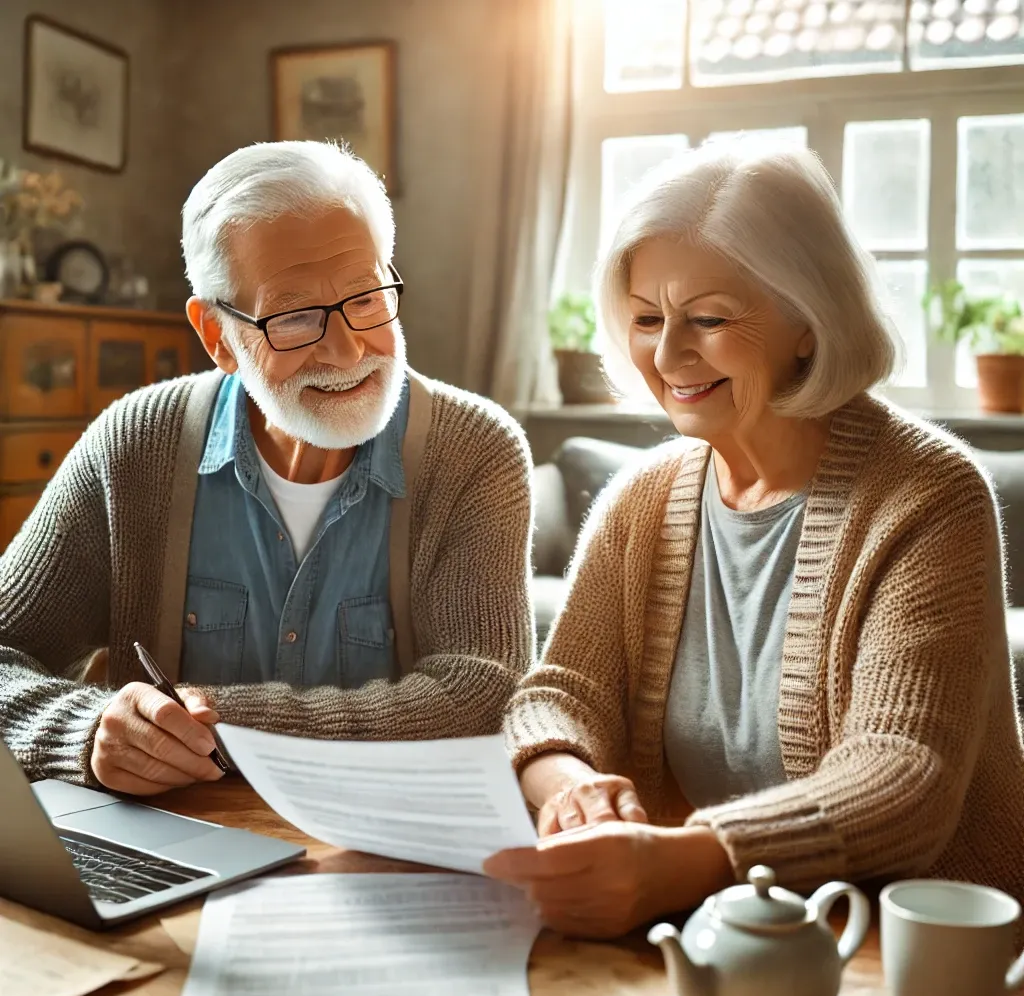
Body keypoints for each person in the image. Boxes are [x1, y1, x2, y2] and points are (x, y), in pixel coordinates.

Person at [485, 141, 1024, 939]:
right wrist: (571, 787)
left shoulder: (929, 494)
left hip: (910, 943)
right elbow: (558, 694)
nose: (668, 355)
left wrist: (682, 859)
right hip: (708, 934)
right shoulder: (643, 496)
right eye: (646, 318)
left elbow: (902, 778)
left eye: (708, 318)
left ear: (809, 321)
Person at [0, 140, 533, 797]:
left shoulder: (474, 450)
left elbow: (488, 696)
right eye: (295, 316)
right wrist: (81, 732)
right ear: (218, 337)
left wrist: (221, 722)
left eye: (366, 298)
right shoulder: (135, 445)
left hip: (387, 854)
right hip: (178, 850)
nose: (346, 350)